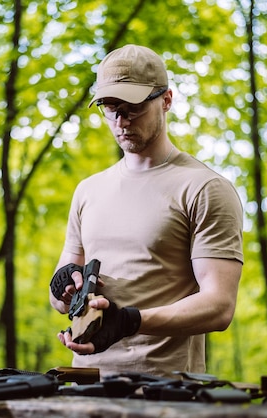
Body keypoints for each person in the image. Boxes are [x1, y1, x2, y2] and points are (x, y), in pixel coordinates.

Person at [49, 44, 244, 378]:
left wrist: (130, 322)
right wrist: (62, 285)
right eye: (110, 108)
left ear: (166, 100)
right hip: (83, 383)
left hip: (165, 390)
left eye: (133, 107)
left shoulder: (204, 188)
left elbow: (219, 306)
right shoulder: (88, 190)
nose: (121, 121)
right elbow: (62, 301)